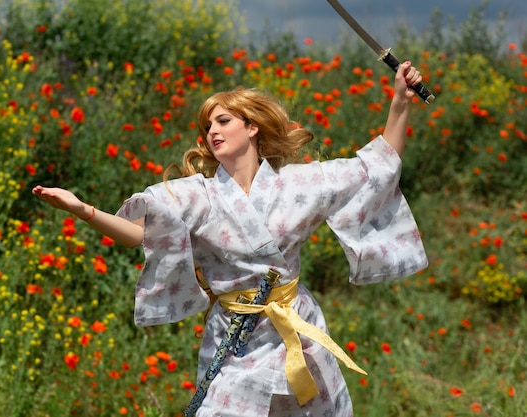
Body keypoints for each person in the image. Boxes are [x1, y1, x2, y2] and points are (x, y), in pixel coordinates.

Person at [32, 61, 428, 416]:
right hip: (234, 337)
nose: (212, 132)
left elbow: (376, 167)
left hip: (296, 329)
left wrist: (400, 101)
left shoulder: (300, 184)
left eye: (222, 121)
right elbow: (138, 234)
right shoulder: (196, 195)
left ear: (252, 127)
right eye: (208, 127)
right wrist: (84, 211)